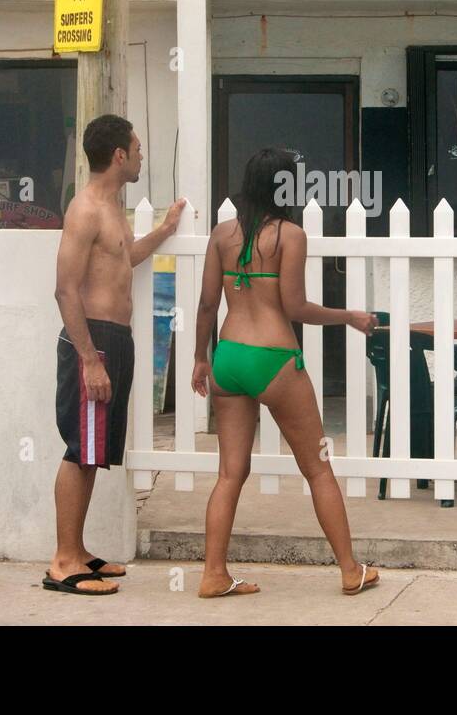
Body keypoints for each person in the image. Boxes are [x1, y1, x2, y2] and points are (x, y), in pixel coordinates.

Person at [191, 146, 381, 598]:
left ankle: (213, 574)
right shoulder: (289, 236)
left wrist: (201, 358)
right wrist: (349, 316)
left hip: (229, 358)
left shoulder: (220, 235)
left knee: (228, 474)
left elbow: (205, 305)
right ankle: (350, 570)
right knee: (318, 470)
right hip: (274, 360)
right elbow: (295, 307)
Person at [46, 114, 185, 595]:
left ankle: (78, 550)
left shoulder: (111, 209)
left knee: (93, 450)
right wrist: (89, 358)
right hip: (94, 341)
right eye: (138, 148)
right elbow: (65, 291)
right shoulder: (84, 209)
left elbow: (125, 259)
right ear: (119, 155)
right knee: (78, 450)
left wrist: (164, 231)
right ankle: (63, 562)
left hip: (114, 339)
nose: (142, 155)